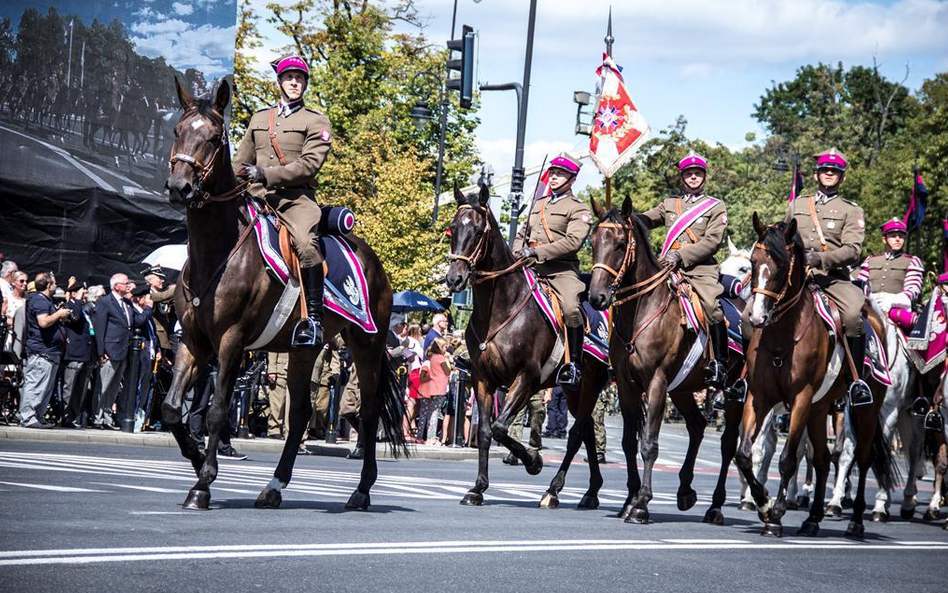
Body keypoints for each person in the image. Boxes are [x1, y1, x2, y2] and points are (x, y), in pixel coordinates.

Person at [233, 54, 333, 349]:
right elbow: (241, 163)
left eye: (299, 78)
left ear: (305, 84)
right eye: (289, 77)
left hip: (295, 199)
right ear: (279, 81)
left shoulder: (315, 120)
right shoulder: (259, 118)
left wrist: (265, 173)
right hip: (255, 195)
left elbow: (309, 165)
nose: (294, 82)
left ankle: (313, 319)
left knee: (305, 243)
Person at [786, 148, 871, 405]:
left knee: (853, 314)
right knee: (753, 312)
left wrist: (821, 258)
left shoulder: (851, 210)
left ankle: (856, 382)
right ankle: (747, 377)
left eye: (834, 172)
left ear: (842, 178)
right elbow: (784, 237)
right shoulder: (797, 205)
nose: (829, 174)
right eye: (825, 171)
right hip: (797, 277)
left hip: (832, 278)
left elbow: (853, 251)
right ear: (816, 175)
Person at [640, 150, 729, 389]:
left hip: (699, 269)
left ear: (704, 177)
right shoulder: (670, 205)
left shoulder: (715, 207)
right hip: (667, 267)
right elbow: (645, 220)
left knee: (712, 307)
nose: (693, 177)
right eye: (689, 174)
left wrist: (681, 254)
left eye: (697, 173)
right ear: (682, 178)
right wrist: (624, 217)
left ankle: (719, 363)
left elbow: (712, 242)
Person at [513, 152, 593, 388]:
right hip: (527, 266)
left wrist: (536, 252)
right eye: (553, 173)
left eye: (561, 173)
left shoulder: (578, 209)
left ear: (572, 178)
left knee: (570, 307)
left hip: (560, 270)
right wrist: (518, 251)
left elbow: (573, 242)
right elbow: (521, 235)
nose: (555, 177)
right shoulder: (537, 205)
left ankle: (574, 364)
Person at [92, 273, 151, 429]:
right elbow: (99, 328)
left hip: (124, 351)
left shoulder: (127, 303)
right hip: (110, 350)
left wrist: (147, 309)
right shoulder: (105, 302)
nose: (128, 286)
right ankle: (97, 417)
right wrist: (100, 352)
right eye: (125, 283)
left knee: (115, 387)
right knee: (103, 386)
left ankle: (106, 416)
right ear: (116, 286)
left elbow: (137, 321)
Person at [19, 273, 69, 428]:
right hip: (42, 352)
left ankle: (37, 416)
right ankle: (28, 417)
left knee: (45, 388)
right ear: (48, 286)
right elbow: (43, 322)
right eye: (54, 284)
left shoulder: (45, 301)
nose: (55, 286)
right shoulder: (40, 300)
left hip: (51, 352)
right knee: (36, 385)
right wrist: (59, 314)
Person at [856, 218, 923, 314]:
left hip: (897, 309)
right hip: (869, 306)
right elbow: (860, 285)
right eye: (893, 236)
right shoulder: (871, 260)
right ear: (884, 239)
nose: (897, 239)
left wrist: (892, 300)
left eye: (901, 236)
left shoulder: (913, 261)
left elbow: (912, 290)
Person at [61, 281, 94, 427]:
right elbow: (75, 319)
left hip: (86, 354)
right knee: (69, 387)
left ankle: (73, 415)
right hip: (74, 353)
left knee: (81, 388)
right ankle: (65, 415)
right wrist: (78, 300)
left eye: (86, 292)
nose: (85, 295)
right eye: (82, 292)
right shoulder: (70, 306)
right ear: (74, 293)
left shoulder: (84, 308)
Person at [417, 337, 451, 445]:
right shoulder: (440, 358)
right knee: (435, 413)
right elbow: (447, 371)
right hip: (440, 386)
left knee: (431, 412)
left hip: (433, 386)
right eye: (445, 346)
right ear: (441, 347)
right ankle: (431, 437)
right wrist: (448, 362)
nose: (447, 348)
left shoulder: (433, 358)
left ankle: (427, 436)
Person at [503, 389, 549, 465]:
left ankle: (534, 448)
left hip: (538, 390)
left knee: (536, 422)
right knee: (516, 420)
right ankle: (514, 451)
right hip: (521, 390)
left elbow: (549, 377)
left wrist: (549, 392)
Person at [266, 351, 289, 439]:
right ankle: (274, 429)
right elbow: (272, 351)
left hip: (294, 371)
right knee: (277, 403)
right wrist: (272, 370)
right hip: (280, 370)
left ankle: (286, 430)